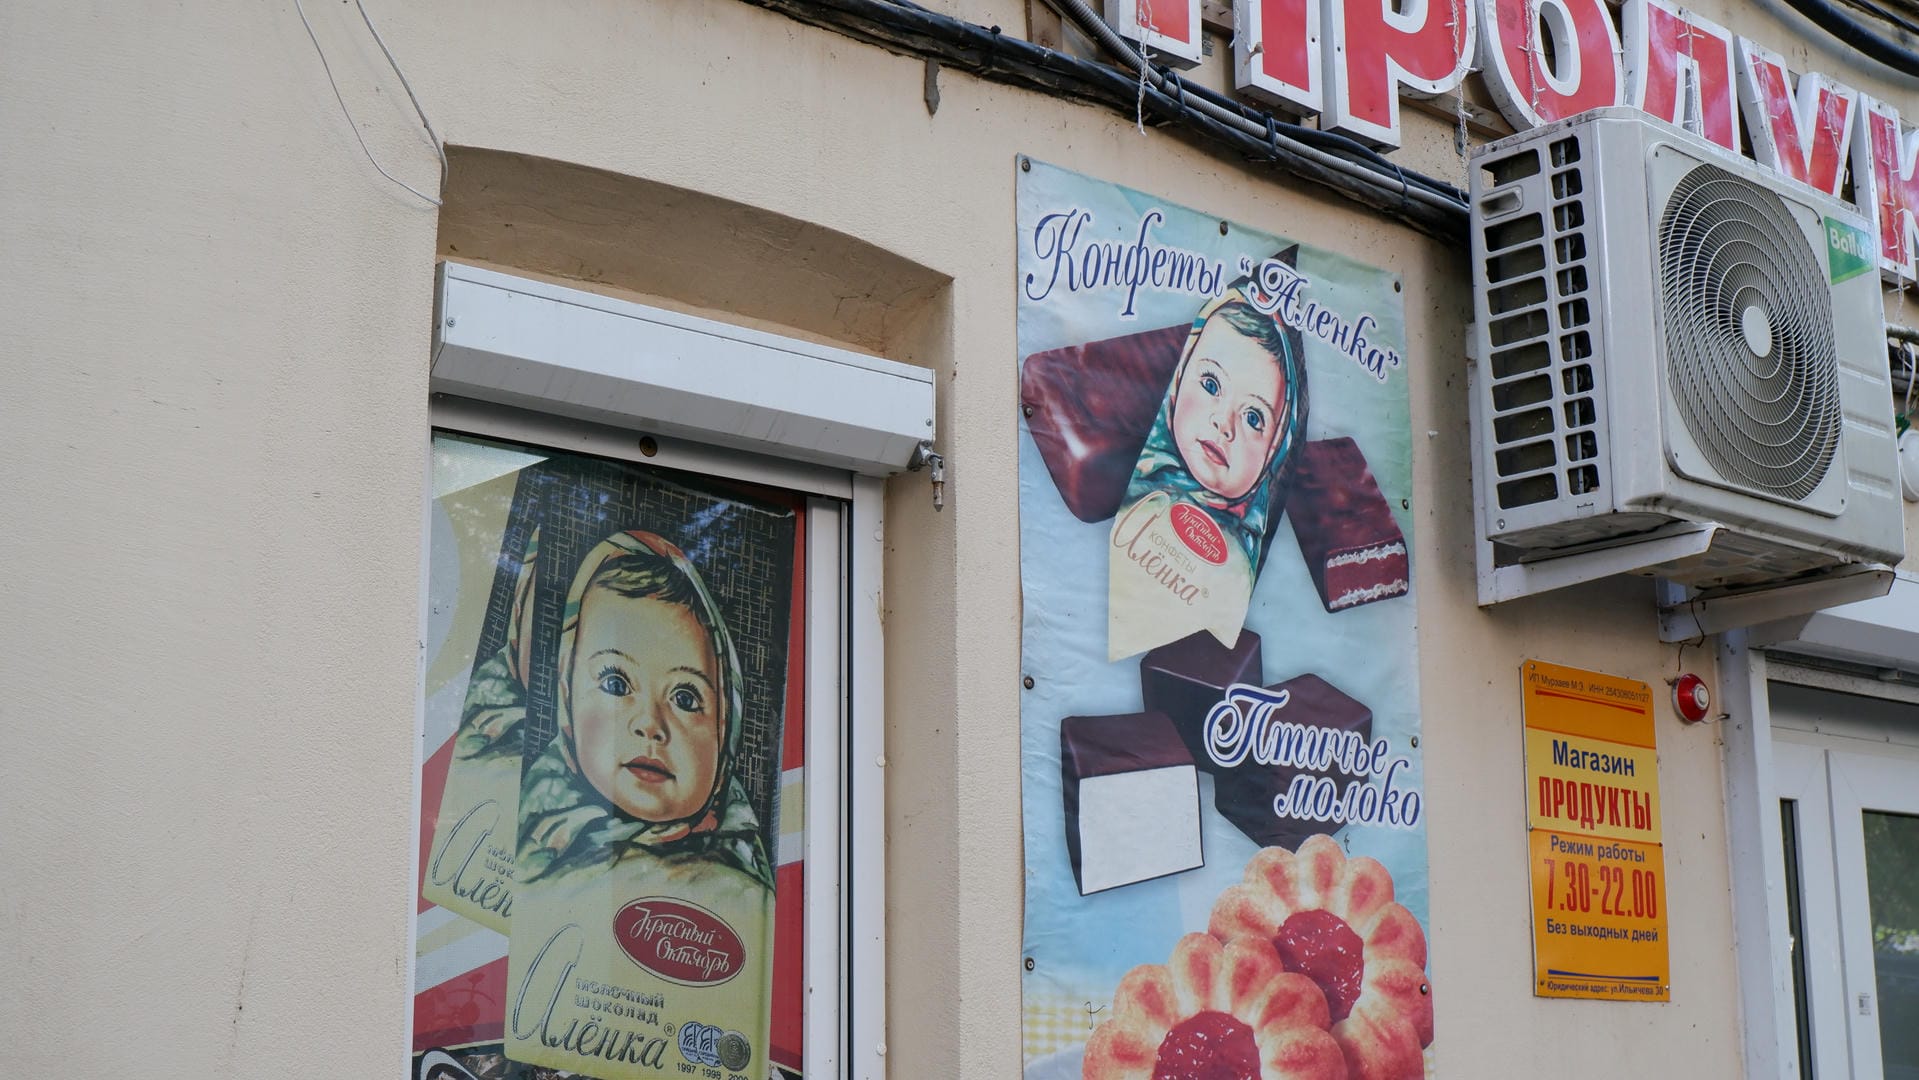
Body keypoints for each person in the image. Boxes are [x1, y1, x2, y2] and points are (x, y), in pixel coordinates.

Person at [516, 530, 774, 890]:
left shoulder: (740, 891)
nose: (650, 725)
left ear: (725, 725)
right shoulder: (529, 824)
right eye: (615, 685)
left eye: (685, 698)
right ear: (567, 694)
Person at [1127, 285, 1309, 572]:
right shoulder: (1129, 484)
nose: (1224, 424)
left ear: (1275, 449)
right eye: (1211, 385)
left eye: (1253, 417)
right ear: (1178, 380)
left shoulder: (1241, 564)